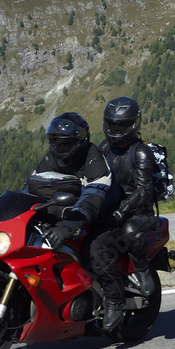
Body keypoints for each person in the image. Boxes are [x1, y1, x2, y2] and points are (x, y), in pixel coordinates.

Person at [33, 113, 123, 331]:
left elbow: (92, 197)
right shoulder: (50, 159)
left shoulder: (94, 159)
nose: (59, 148)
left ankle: (115, 300)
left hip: (103, 218)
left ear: (81, 140)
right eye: (55, 142)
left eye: (66, 143)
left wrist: (68, 227)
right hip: (70, 217)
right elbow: (34, 186)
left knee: (95, 250)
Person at [95, 96, 158, 308]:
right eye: (112, 124)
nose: (115, 128)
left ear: (133, 124)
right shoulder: (104, 148)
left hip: (139, 212)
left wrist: (123, 209)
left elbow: (144, 191)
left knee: (130, 230)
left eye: (121, 124)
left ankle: (142, 272)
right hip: (112, 207)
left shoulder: (141, 152)